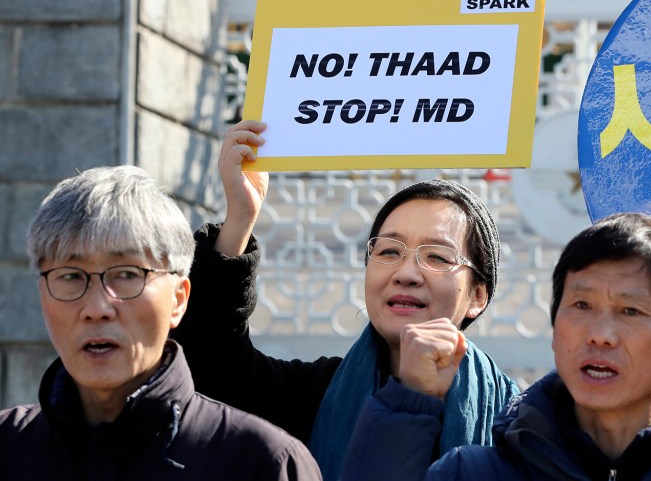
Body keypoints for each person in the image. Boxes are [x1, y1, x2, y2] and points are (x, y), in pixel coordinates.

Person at [171, 120, 520, 480]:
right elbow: (211, 364)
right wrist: (241, 217)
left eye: (437, 257)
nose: (406, 273)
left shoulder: (518, 423)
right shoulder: (316, 395)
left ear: (478, 295)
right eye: (388, 251)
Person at [342, 212, 651, 481]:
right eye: (581, 304)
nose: (600, 334)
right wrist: (409, 403)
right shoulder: (474, 473)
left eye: (630, 311)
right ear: (554, 324)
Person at [0, 166, 321, 481]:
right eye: (70, 276)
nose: (96, 308)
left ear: (179, 299)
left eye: (127, 275)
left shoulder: (262, 462)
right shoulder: (8, 447)